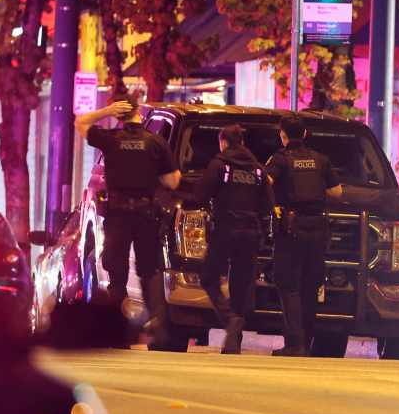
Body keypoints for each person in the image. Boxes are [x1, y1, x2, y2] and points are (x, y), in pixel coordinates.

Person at [75, 98, 181, 346]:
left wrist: (105, 111)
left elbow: (80, 122)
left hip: (118, 214)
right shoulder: (156, 143)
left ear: (120, 115)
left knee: (117, 273)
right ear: (138, 114)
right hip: (146, 214)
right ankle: (158, 330)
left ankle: (118, 333)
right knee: (149, 271)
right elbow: (173, 181)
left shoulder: (111, 139)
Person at [265, 115, 343, 357]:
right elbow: (337, 192)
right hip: (318, 228)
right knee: (311, 286)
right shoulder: (321, 160)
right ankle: (306, 343)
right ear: (306, 134)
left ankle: (294, 344)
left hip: (291, 227)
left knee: (289, 286)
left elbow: (265, 182)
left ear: (283, 135)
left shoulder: (280, 159)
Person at [195, 124, 272, 355]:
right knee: (241, 285)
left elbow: (201, 194)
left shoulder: (220, 165)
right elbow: (268, 204)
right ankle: (233, 342)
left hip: (225, 230)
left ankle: (230, 319)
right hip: (251, 233)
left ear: (224, 142)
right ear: (243, 143)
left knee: (209, 277)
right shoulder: (258, 170)